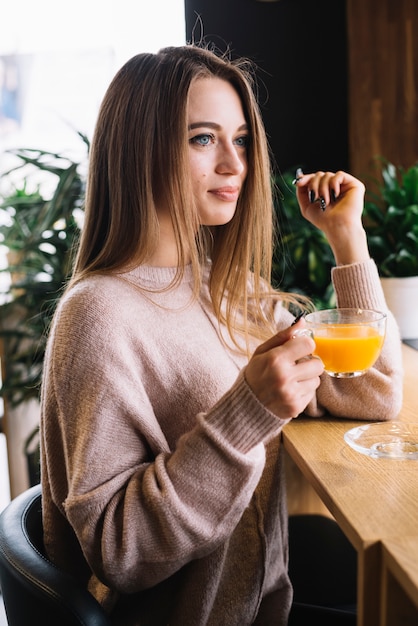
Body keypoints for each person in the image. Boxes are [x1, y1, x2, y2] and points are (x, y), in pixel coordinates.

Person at [40, 44, 403, 626]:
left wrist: (347, 239)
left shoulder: (227, 288)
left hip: (264, 608)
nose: (235, 164)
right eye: (202, 139)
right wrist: (247, 412)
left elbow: (370, 392)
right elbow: (119, 552)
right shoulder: (98, 316)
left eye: (240, 140)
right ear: (139, 150)